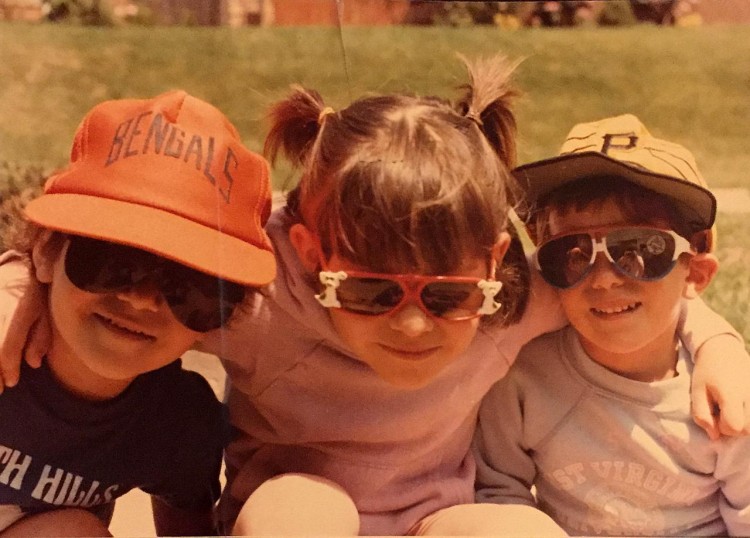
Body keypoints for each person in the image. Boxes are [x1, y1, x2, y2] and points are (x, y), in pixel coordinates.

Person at [0, 58, 748, 536]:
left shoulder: (507, 299)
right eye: (365, 290)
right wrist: (28, 278)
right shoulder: (263, 297)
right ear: (307, 255)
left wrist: (715, 342)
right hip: (288, 509)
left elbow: (620, 282)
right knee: (307, 515)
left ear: (490, 266)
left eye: (450, 296)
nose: (416, 322)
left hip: (438, 516)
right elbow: (146, 260)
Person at [0, 90, 276, 536]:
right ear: (46, 252)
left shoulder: (176, 424)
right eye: (112, 259)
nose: (143, 299)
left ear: (226, 315)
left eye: (192, 285)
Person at [474, 114, 750, 536]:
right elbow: (498, 494)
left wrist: (721, 345)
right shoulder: (522, 378)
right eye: (571, 253)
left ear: (695, 274)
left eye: (638, 250)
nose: (603, 278)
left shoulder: (726, 399)